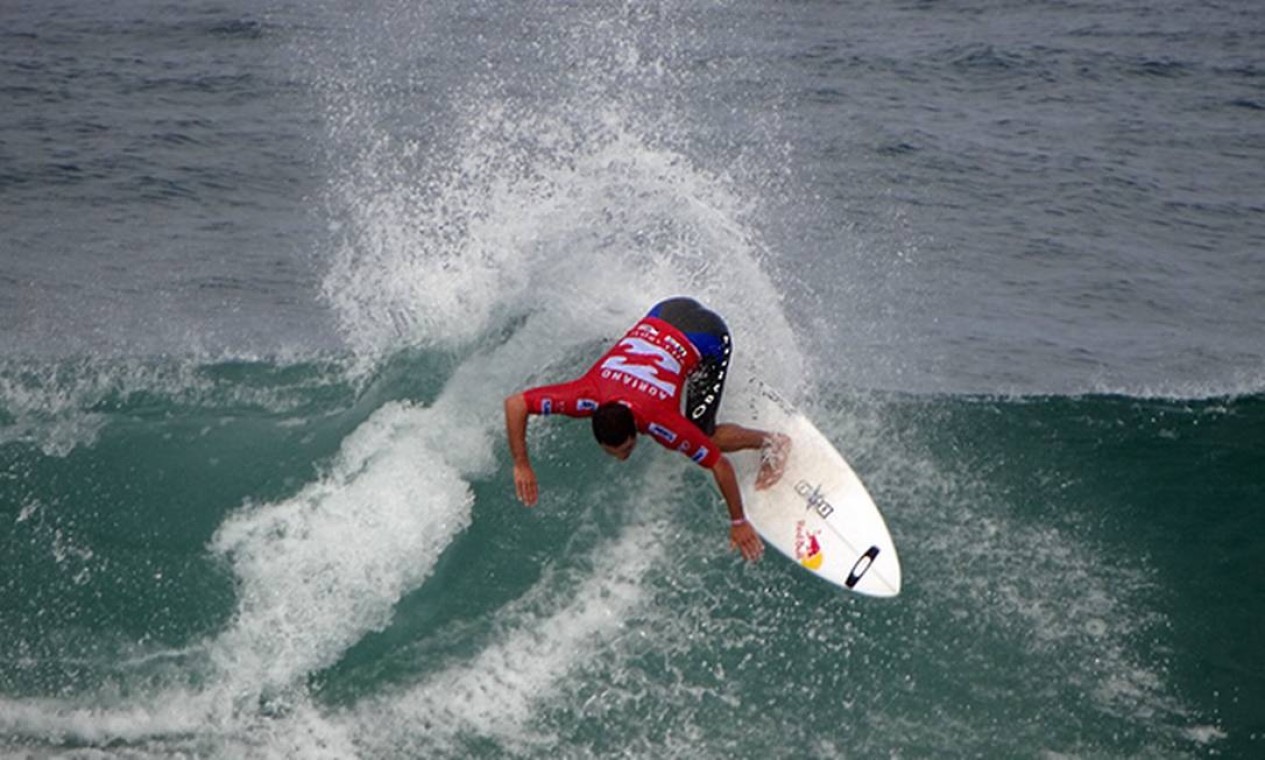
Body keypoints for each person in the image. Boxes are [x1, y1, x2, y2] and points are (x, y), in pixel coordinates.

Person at [503, 297, 790, 562]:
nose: (622, 457)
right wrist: (521, 464)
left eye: (627, 448)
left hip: (708, 334)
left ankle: (772, 442)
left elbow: (720, 464)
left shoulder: (660, 419)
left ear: (636, 428)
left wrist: (738, 521)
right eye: (614, 452)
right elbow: (516, 404)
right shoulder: (584, 395)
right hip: (666, 310)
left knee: (705, 434)